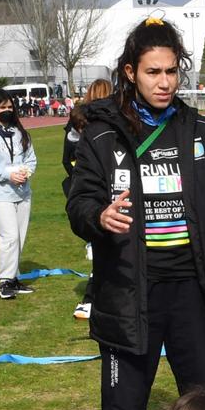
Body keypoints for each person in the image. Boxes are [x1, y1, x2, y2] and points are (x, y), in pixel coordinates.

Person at [67, 17, 205, 410]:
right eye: (153, 72)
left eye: (171, 71)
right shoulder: (102, 134)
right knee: (124, 409)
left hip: (192, 289)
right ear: (130, 72)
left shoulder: (200, 130)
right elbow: (78, 200)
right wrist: (99, 216)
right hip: (129, 291)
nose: (165, 82)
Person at [0, 88, 40, 301]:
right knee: (9, 235)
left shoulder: (21, 133)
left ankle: (13, 277)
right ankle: (4, 281)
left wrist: (25, 173)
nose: (7, 110)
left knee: (20, 236)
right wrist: (10, 175)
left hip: (23, 191)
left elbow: (31, 159)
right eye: (2, 107)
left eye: (10, 106)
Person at [65, 79, 113, 322]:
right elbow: (69, 158)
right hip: (95, 197)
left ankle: (94, 298)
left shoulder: (84, 123)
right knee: (104, 248)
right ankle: (90, 299)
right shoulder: (91, 127)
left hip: (90, 193)